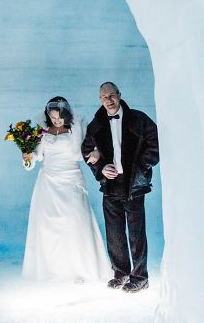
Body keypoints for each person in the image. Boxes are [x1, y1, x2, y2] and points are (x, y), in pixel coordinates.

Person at [21, 96, 111, 283]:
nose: (56, 121)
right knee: (50, 225)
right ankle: (53, 269)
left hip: (71, 178)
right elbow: (34, 159)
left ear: (66, 115)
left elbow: (92, 144)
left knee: (76, 222)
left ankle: (80, 270)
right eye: (52, 117)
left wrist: (97, 152)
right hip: (48, 181)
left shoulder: (77, 127)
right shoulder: (41, 130)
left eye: (59, 117)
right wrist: (27, 156)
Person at [82, 82, 159, 293]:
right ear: (100, 100)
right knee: (114, 233)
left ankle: (141, 276)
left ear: (119, 95)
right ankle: (121, 273)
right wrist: (100, 168)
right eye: (104, 97)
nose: (109, 100)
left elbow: (155, 143)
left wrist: (140, 167)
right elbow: (87, 150)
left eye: (112, 95)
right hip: (111, 185)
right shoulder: (95, 125)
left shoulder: (139, 119)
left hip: (134, 184)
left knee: (136, 233)